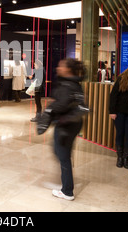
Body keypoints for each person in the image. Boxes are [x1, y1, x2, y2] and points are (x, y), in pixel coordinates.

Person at [36, 58, 86, 201]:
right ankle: (66, 180)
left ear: (68, 69)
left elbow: (62, 104)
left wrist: (49, 111)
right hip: (73, 123)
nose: (58, 67)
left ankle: (67, 191)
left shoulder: (67, 85)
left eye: (61, 65)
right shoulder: (74, 82)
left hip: (66, 125)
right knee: (61, 153)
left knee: (62, 155)